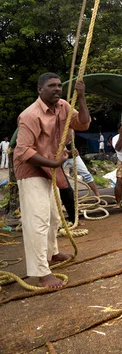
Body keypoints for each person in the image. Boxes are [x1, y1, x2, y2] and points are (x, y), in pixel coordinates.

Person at [13, 73, 91, 289]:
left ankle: (52, 253)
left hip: (50, 165)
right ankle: (41, 272)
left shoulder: (64, 106)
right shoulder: (30, 115)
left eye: (59, 85)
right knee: (38, 221)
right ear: (40, 90)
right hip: (31, 168)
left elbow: (83, 124)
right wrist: (55, 163)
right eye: (51, 86)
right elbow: (23, 151)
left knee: (54, 217)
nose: (57, 89)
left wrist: (82, 97)